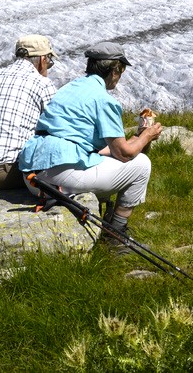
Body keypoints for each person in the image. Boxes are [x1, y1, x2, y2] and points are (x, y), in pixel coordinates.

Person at [18, 40, 162, 247]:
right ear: (114, 70)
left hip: (33, 177)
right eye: (121, 71)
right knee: (141, 165)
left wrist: (137, 139)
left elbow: (94, 146)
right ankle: (116, 236)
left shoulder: (70, 88)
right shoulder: (104, 100)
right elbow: (124, 154)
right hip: (60, 178)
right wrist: (147, 136)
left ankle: (108, 224)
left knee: (116, 160)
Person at [0, 35, 59, 191]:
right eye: (49, 61)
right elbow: (57, 126)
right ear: (42, 60)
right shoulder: (42, 83)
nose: (48, 66)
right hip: (4, 175)